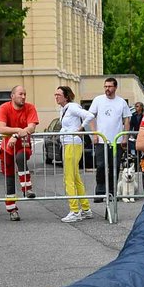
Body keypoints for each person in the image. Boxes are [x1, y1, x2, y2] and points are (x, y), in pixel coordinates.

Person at [0, 85, 39, 221]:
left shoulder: (30, 107)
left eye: (25, 94)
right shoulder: (4, 108)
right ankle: (12, 209)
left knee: (21, 157)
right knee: (9, 179)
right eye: (20, 94)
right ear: (12, 96)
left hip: (23, 144)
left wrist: (16, 135)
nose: (23, 97)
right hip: (7, 148)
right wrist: (17, 131)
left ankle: (27, 188)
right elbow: (1, 128)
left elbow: (31, 127)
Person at [87, 77, 132, 202]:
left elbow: (127, 120)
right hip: (102, 140)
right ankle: (100, 191)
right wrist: (94, 134)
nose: (107, 89)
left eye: (110, 86)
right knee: (101, 166)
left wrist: (125, 137)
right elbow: (91, 117)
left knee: (115, 166)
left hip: (116, 141)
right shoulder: (98, 100)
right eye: (105, 86)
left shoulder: (121, 102)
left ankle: (112, 192)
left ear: (115, 87)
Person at [53, 86, 95, 222]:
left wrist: (80, 128)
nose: (56, 96)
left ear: (66, 96)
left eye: (58, 94)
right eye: (56, 94)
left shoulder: (72, 107)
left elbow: (89, 115)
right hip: (69, 143)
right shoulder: (64, 109)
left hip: (72, 143)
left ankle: (75, 210)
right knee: (75, 177)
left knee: (69, 178)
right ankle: (85, 208)